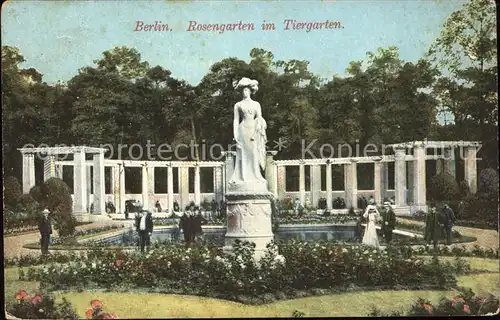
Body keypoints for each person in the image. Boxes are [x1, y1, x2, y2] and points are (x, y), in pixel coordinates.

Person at [228, 77, 267, 191]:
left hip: (253, 130)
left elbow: (259, 117)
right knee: (243, 155)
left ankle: (256, 176)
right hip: (242, 130)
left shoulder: (256, 104)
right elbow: (236, 120)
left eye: (246, 90)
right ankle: (243, 177)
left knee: (253, 153)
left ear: (250, 91)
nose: (244, 92)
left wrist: (260, 126)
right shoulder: (238, 105)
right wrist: (235, 134)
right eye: (243, 90)